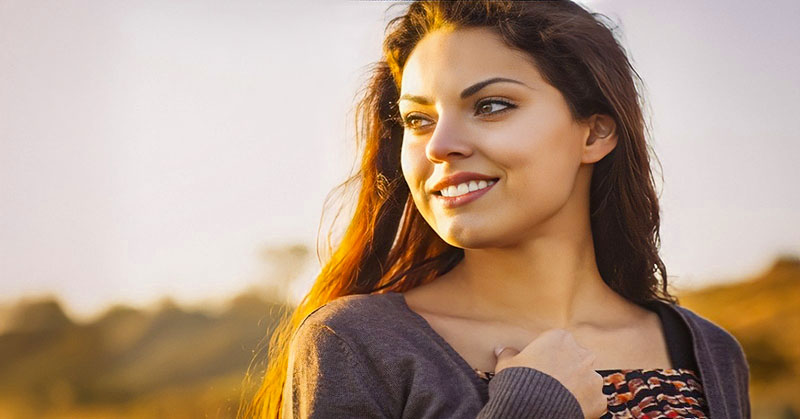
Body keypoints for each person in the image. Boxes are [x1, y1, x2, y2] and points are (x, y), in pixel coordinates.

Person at [242, 1, 751, 418]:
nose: (439, 145)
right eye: (418, 120)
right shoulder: (357, 344)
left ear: (594, 132)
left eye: (490, 106)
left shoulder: (708, 351)